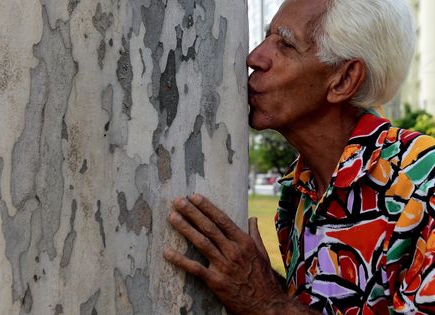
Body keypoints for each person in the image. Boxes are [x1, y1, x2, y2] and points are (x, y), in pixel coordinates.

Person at [164, 0, 435, 314]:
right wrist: (265, 283)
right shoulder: (299, 190)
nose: (255, 58)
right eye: (267, 38)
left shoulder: (424, 184)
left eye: (286, 44)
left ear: (344, 79)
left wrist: (265, 302)